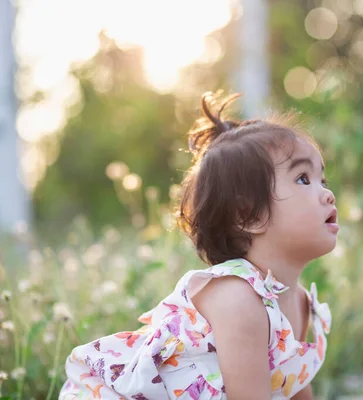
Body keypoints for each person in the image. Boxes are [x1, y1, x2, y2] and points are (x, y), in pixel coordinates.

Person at [59, 92, 338, 400]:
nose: (327, 194)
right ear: (249, 215)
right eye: (303, 179)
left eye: (322, 180)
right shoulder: (238, 297)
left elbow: (293, 382)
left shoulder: (298, 302)